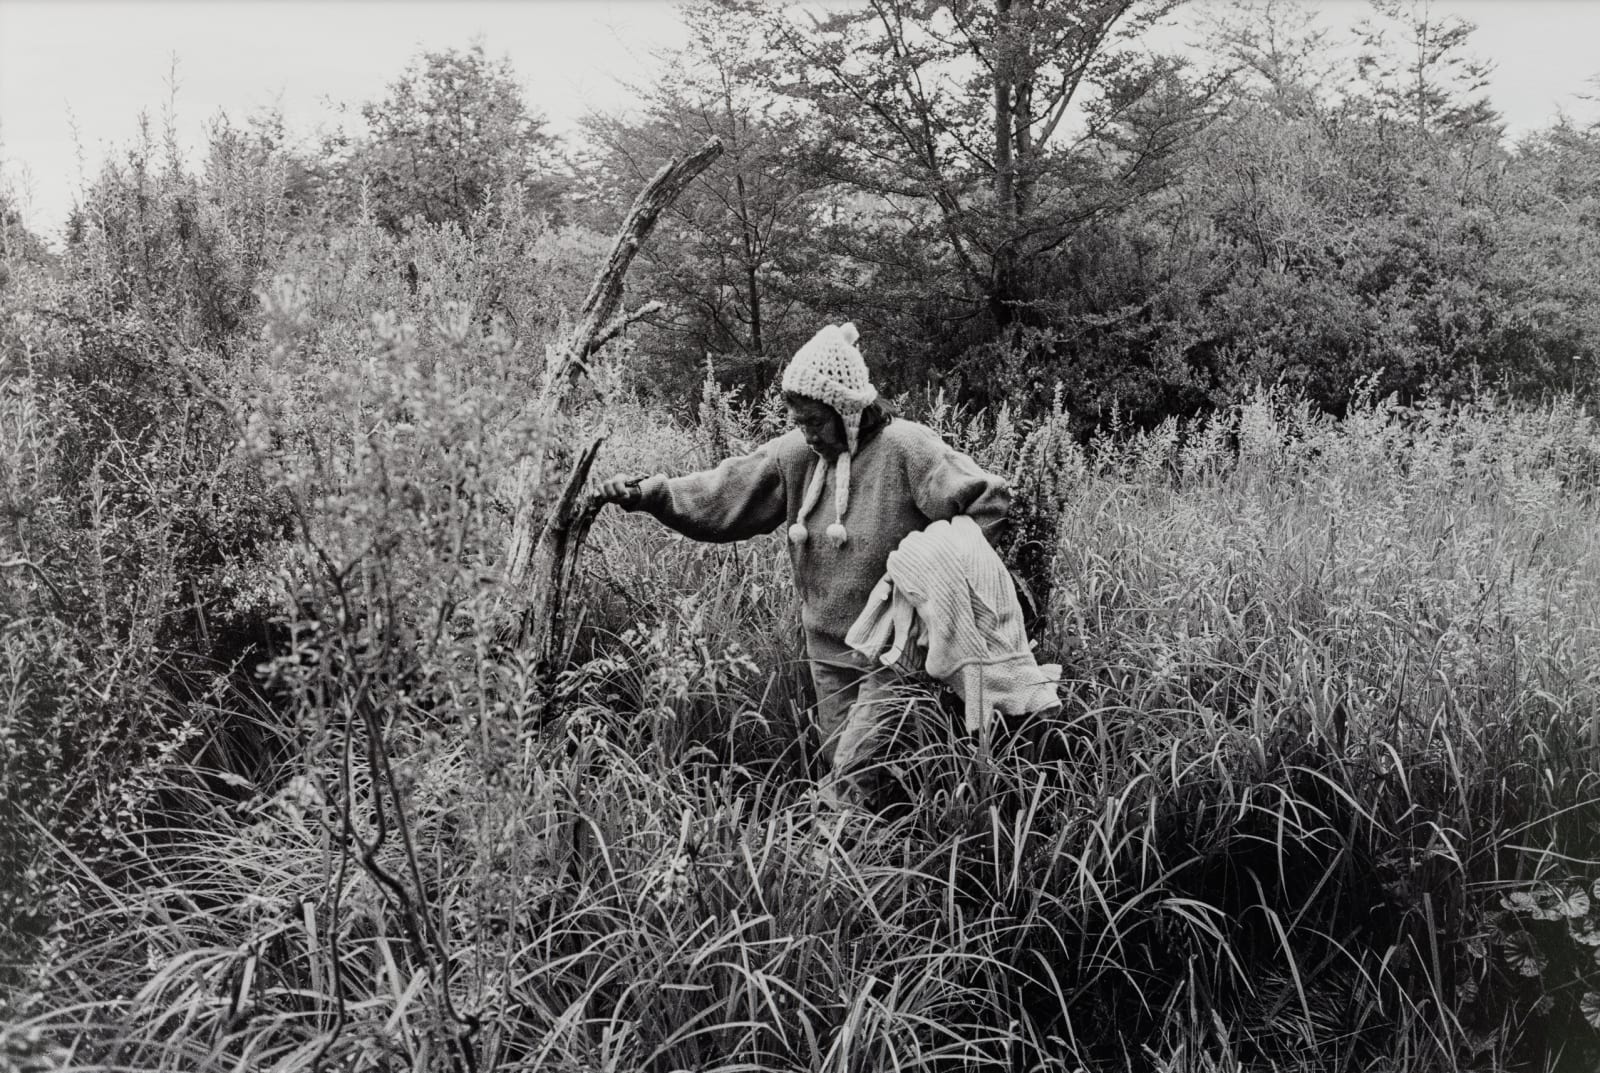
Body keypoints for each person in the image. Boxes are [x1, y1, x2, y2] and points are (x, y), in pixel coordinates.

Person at [595, 322, 1011, 808]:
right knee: (858, 774)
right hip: (828, 650)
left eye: (814, 420)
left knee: (854, 779)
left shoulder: (906, 449)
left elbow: (990, 500)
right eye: (798, 421)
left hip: (895, 653)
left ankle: (819, 866)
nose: (806, 433)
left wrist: (936, 580)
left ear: (848, 410)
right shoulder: (796, 455)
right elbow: (724, 494)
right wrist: (648, 494)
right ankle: (892, 865)